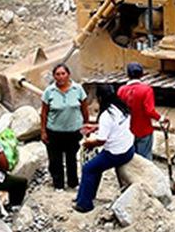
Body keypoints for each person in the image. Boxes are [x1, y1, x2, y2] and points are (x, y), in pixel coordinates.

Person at [74, 85, 135, 213]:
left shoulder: (106, 115)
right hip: (128, 147)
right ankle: (88, 195)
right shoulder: (121, 107)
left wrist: (88, 144)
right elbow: (113, 127)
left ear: (100, 98)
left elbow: (101, 140)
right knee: (96, 167)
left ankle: (84, 204)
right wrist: (96, 128)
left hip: (116, 153)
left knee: (88, 168)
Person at [41, 64, 91, 191]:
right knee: (55, 159)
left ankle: (73, 183)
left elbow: (84, 109)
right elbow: (44, 113)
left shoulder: (78, 89)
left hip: (74, 131)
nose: (61, 77)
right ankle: (58, 185)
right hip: (54, 131)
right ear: (54, 76)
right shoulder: (49, 91)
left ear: (68, 74)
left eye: (63, 73)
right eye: (57, 74)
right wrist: (43, 131)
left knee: (72, 158)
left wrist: (86, 125)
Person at [117, 62, 166, 159]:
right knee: (145, 158)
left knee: (130, 159)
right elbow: (149, 110)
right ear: (142, 75)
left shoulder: (121, 90)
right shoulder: (146, 90)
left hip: (127, 130)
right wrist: (160, 118)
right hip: (143, 129)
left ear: (127, 75)